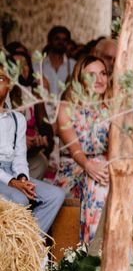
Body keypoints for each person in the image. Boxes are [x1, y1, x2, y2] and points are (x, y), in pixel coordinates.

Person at [0, 62, 65, 235]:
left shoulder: (17, 119)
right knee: (20, 199)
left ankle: (28, 245)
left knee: (55, 196)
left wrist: (22, 178)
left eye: (0, 79)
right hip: (3, 178)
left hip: (11, 173)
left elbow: (20, 158)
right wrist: (13, 183)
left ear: (10, 84)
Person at [55, 55, 112, 243]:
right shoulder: (66, 108)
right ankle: (92, 251)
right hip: (74, 169)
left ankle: (94, 251)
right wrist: (89, 165)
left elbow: (116, 149)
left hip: (105, 168)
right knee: (95, 180)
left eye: (103, 73)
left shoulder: (113, 108)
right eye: (92, 75)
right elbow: (75, 149)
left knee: (100, 176)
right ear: (80, 79)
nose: (100, 79)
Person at [5, 43, 54, 179]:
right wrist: (19, 141)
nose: (24, 70)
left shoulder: (34, 92)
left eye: (26, 65)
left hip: (28, 154)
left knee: (41, 161)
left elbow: (45, 125)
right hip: (6, 155)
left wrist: (41, 139)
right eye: (18, 66)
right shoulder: (5, 93)